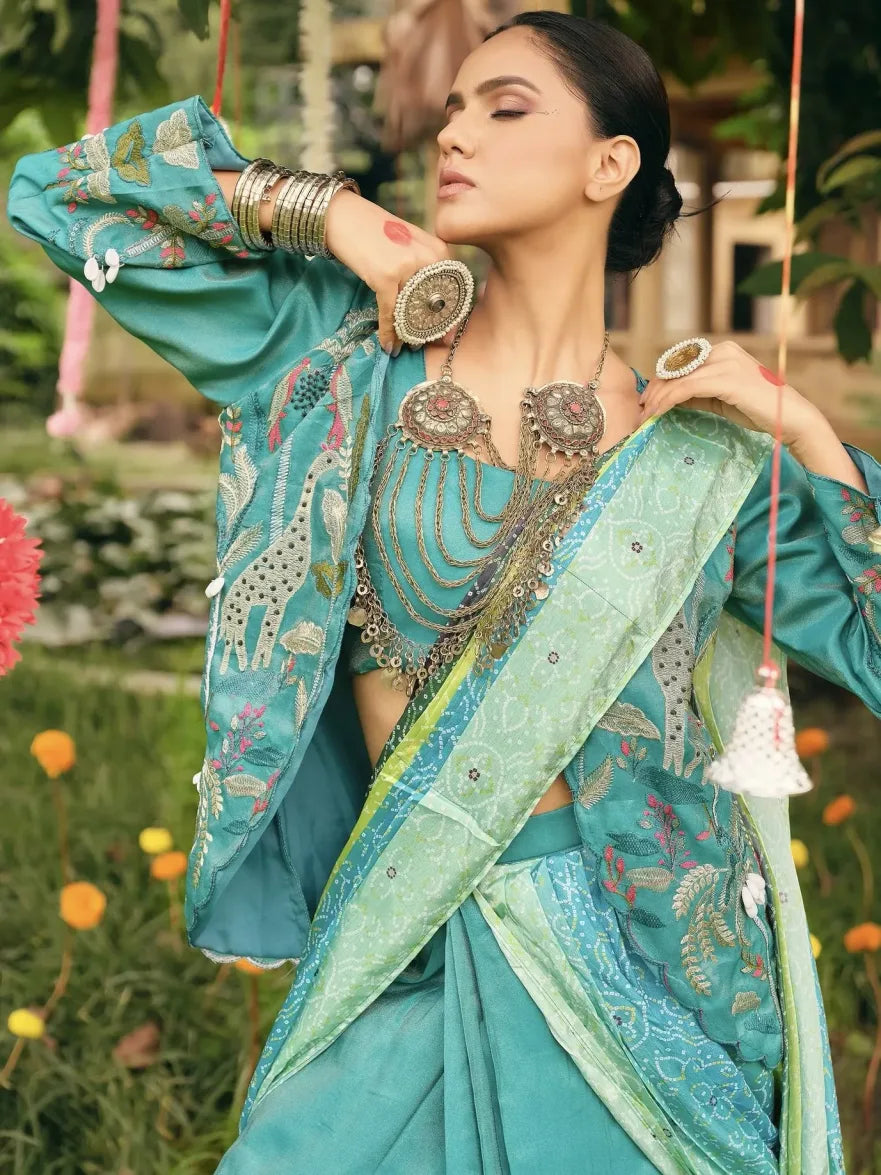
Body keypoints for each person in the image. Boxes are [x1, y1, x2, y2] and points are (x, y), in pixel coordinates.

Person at [8, 10, 881, 1173]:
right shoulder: (336, 363)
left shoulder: (704, 458)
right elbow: (58, 195)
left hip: (640, 983)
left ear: (608, 164)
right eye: (453, 108)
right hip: (400, 935)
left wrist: (811, 438)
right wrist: (337, 219)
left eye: (504, 107)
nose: (453, 132)